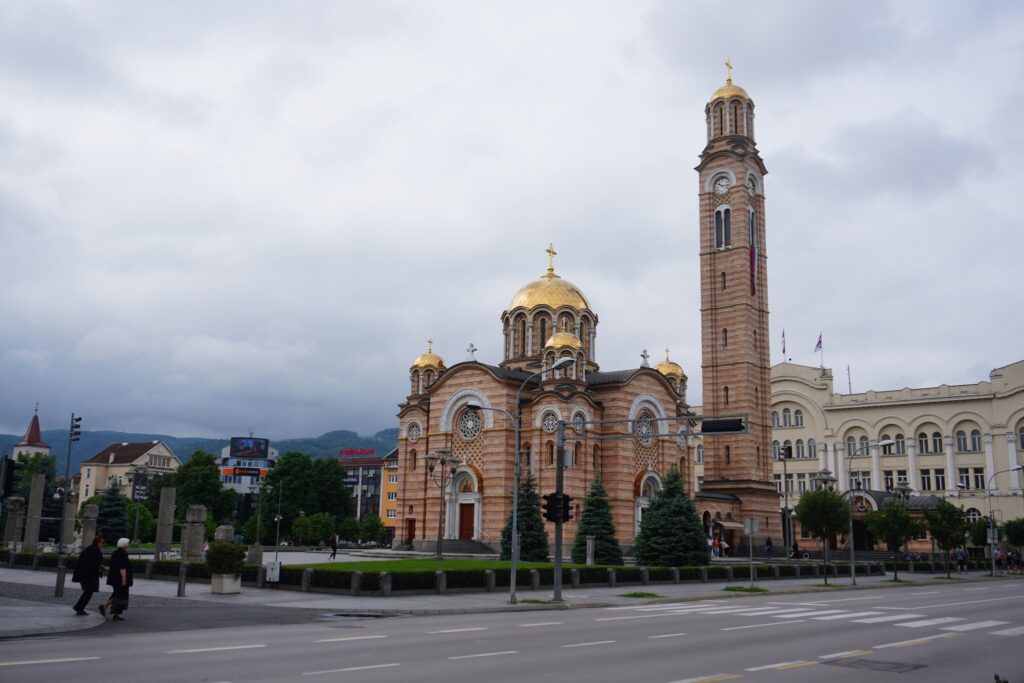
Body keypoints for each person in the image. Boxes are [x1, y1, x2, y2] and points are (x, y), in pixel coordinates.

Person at [100, 537, 134, 621]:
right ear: (125, 545)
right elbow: (122, 568)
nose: (128, 545)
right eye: (127, 544)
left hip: (114, 577)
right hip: (120, 579)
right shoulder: (123, 554)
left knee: (118, 594)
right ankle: (105, 606)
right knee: (120, 595)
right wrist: (124, 579)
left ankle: (118, 614)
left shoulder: (115, 552)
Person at [71, 532, 105, 615]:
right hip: (89, 575)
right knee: (88, 592)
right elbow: (96, 564)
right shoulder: (95, 550)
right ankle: (78, 607)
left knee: (87, 591)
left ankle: (79, 607)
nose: (103, 545)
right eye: (102, 543)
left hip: (84, 574)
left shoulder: (89, 549)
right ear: (98, 543)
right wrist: (104, 568)